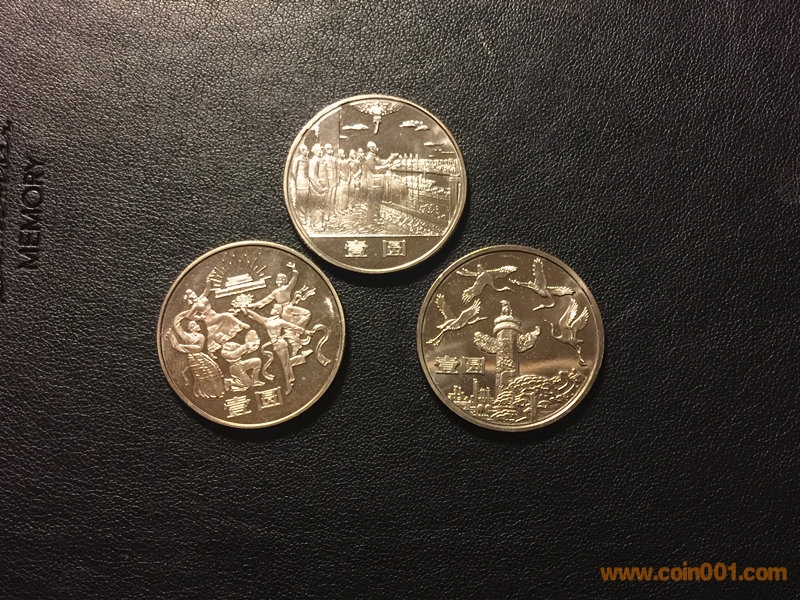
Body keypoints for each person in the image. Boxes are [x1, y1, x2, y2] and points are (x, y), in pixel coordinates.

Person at [242, 304, 311, 394]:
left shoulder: (280, 321)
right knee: (284, 364)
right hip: (276, 345)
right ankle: (300, 360)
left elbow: (293, 327)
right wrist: (247, 310)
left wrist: (305, 332)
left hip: (281, 344)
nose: (272, 309)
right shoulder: (267, 320)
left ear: (278, 311)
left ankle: (289, 384)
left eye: (274, 308)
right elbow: (257, 317)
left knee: (285, 365)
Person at [164, 310, 225, 398]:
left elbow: (199, 348)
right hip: (193, 359)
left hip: (200, 357)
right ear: (191, 328)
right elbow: (177, 326)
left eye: (197, 324)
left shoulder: (201, 336)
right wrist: (185, 314)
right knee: (202, 376)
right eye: (195, 324)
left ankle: (218, 392)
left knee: (212, 372)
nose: (198, 325)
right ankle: (208, 393)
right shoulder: (187, 336)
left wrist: (180, 346)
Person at [184, 277, 249, 355]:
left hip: (214, 315)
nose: (193, 295)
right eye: (191, 295)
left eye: (193, 293)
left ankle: (210, 352)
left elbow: (207, 289)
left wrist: (208, 280)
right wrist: (200, 318)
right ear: (190, 298)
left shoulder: (202, 297)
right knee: (226, 315)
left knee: (212, 334)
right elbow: (188, 316)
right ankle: (241, 324)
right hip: (209, 318)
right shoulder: (195, 306)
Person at [362, 141, 398, 222]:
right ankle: (370, 218)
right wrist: (386, 166)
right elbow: (375, 169)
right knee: (372, 201)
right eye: (375, 147)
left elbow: (382, 163)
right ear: (371, 148)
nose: (377, 148)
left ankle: (376, 216)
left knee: (377, 200)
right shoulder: (369, 157)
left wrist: (391, 157)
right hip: (372, 183)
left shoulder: (375, 156)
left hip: (377, 182)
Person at [307, 143, 327, 230]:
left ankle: (318, 222)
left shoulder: (318, 159)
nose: (321, 152)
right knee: (317, 205)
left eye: (321, 150)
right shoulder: (314, 160)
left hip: (320, 187)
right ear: (315, 151)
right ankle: (317, 224)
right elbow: (312, 175)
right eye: (319, 150)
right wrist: (319, 188)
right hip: (316, 188)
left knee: (320, 205)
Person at [289, 144, 310, 224]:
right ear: (301, 151)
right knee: (300, 200)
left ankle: (304, 216)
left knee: (305, 199)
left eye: (306, 149)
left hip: (306, 181)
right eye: (304, 150)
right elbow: (293, 172)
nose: (306, 151)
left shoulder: (307, 159)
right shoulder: (297, 159)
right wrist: (298, 180)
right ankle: (300, 217)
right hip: (300, 181)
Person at [322, 143, 338, 222]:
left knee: (333, 198)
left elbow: (337, 170)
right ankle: (326, 214)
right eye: (328, 149)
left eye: (331, 148)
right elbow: (323, 172)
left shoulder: (334, 159)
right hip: (328, 181)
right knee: (327, 199)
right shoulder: (324, 159)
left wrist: (337, 179)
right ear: (325, 150)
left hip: (334, 181)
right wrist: (326, 183)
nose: (330, 150)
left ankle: (332, 212)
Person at [335, 148, 350, 214]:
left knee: (345, 195)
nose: (343, 155)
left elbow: (349, 170)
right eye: (341, 154)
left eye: (343, 153)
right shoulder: (338, 161)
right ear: (339, 154)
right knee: (340, 195)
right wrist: (343, 178)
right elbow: (338, 171)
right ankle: (339, 209)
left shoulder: (346, 161)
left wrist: (349, 177)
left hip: (346, 180)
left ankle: (344, 208)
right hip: (341, 180)